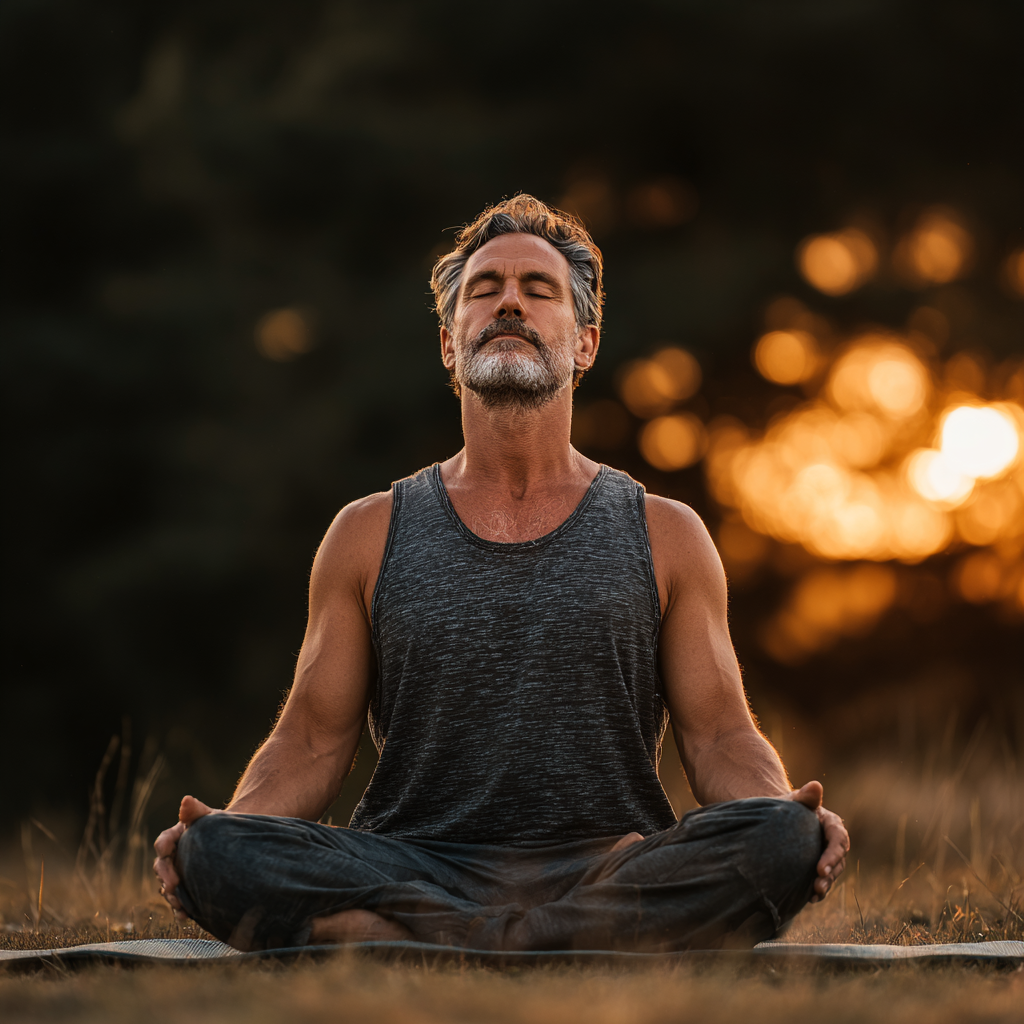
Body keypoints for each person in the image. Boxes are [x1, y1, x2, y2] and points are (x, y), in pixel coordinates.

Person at [153, 194, 849, 953]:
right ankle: (567, 944)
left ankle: (428, 944)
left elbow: (719, 737)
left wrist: (787, 814)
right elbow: (314, 742)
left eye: (537, 290)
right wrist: (230, 829)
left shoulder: (667, 532)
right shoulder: (366, 532)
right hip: (411, 864)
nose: (509, 301)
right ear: (451, 345)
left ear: (583, 344)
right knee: (215, 851)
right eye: (483, 290)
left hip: (609, 867)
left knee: (781, 837)